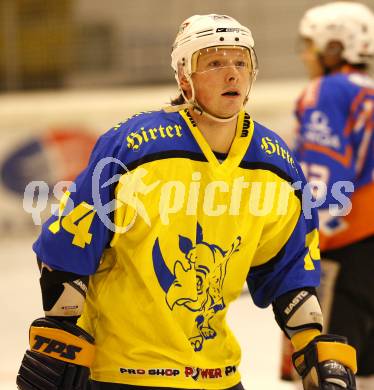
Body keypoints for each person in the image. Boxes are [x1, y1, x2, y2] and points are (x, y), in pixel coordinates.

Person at [17, 14, 357, 390]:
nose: (232, 74)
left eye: (241, 62)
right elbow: (70, 241)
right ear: (184, 78)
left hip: (217, 375)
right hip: (123, 372)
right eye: (214, 62)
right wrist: (61, 328)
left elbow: (290, 265)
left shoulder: (275, 162)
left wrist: (310, 345)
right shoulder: (131, 147)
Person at [280, 2, 374, 390]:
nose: (305, 54)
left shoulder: (327, 91)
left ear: (334, 47)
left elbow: (324, 183)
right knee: (365, 371)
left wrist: (297, 247)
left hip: (343, 249)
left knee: (325, 370)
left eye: (310, 44)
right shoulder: (368, 91)